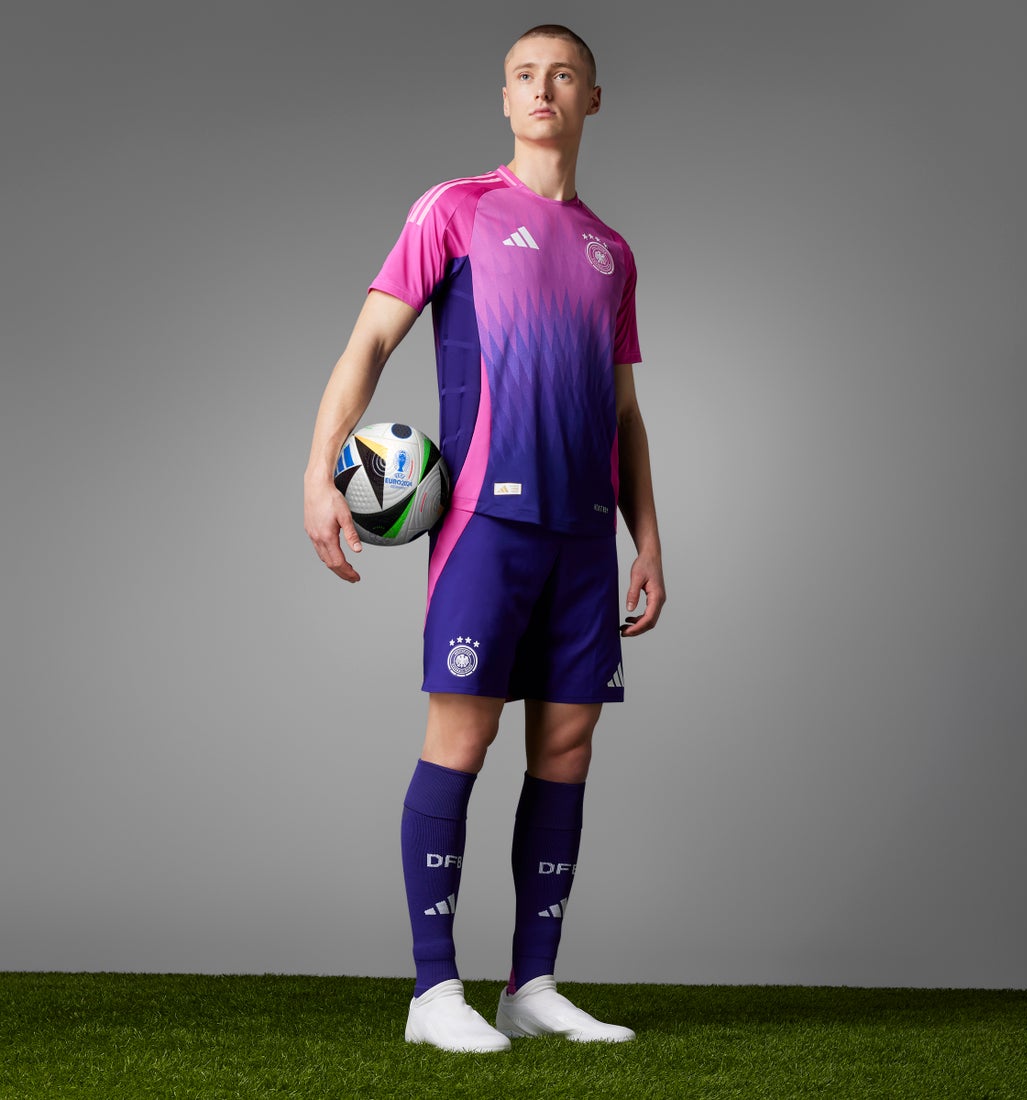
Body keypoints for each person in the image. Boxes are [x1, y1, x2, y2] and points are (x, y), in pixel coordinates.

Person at [304, 24, 665, 1053]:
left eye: (563, 74)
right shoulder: (455, 209)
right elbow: (370, 341)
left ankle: (530, 984)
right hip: (483, 523)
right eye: (523, 75)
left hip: (583, 535)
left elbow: (623, 411)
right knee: (461, 740)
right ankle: (433, 992)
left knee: (566, 745)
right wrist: (317, 471)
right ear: (503, 99)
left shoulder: (611, 251)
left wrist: (646, 538)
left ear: (592, 98)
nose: (542, 88)